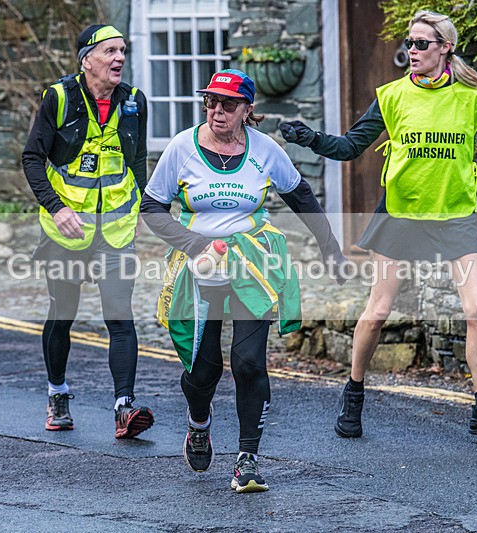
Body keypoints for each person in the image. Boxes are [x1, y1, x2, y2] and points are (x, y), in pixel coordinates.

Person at [280, 10, 477, 438]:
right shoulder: (393, 96)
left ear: (445, 48)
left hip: (455, 216)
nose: (411, 51)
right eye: (409, 44)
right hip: (400, 213)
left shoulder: (472, 98)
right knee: (377, 313)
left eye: (421, 44)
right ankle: (354, 392)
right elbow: (350, 146)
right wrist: (311, 138)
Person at [141, 69, 346, 492]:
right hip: (200, 266)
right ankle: (199, 423)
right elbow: (152, 207)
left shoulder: (265, 150)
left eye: (228, 104)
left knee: (249, 362)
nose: (217, 110)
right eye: (212, 101)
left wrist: (330, 247)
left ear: (247, 110)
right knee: (203, 370)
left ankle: (247, 459)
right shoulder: (182, 147)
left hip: (253, 262)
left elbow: (300, 195)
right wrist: (194, 243)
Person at [22, 24, 154, 439]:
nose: (119, 58)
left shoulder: (134, 102)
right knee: (63, 315)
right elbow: (31, 158)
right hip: (67, 233)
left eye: (123, 51)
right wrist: (56, 207)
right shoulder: (59, 98)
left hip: (115, 231)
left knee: (120, 317)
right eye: (110, 51)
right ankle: (57, 393)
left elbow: (138, 161)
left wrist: (149, 209)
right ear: (86, 60)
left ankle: (124, 407)